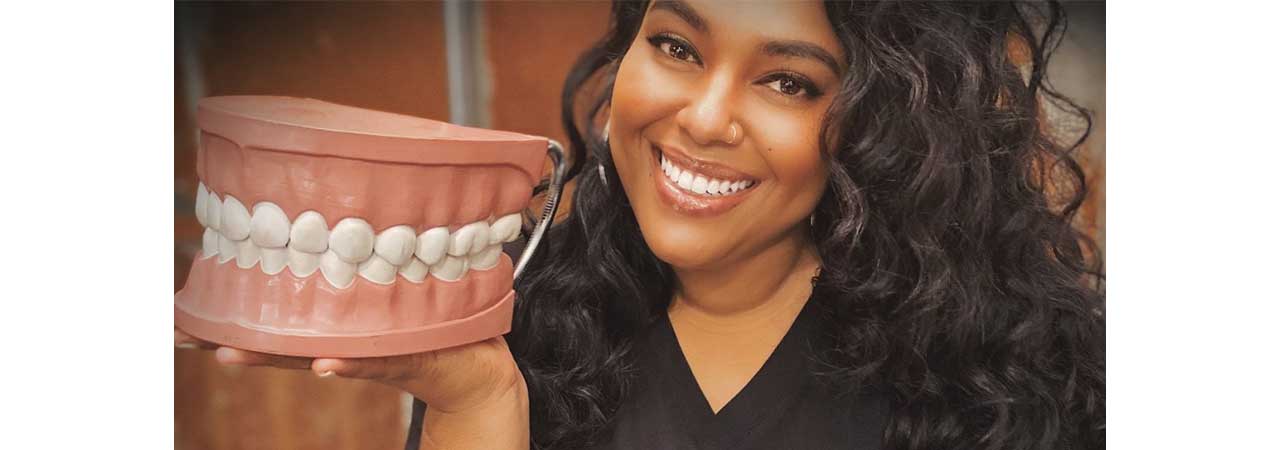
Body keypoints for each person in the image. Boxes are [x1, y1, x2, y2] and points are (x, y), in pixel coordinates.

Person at [176, 1, 1105, 449]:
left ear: (888, 121)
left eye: (789, 81)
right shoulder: (529, 324)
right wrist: (474, 403)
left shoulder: (1023, 375)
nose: (702, 117)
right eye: (675, 46)